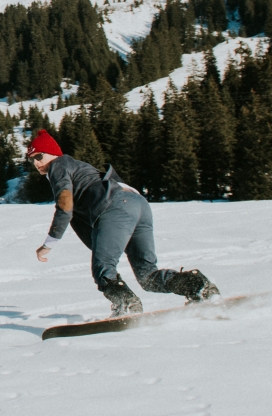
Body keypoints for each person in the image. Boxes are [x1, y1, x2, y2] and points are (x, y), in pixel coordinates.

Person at [28, 129, 219, 317]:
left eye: (39, 156)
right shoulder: (78, 167)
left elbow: (65, 205)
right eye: (31, 159)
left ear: (53, 153)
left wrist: (49, 243)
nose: (36, 163)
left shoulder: (58, 166)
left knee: (103, 269)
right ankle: (199, 287)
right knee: (148, 276)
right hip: (138, 205)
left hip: (116, 207)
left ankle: (127, 307)